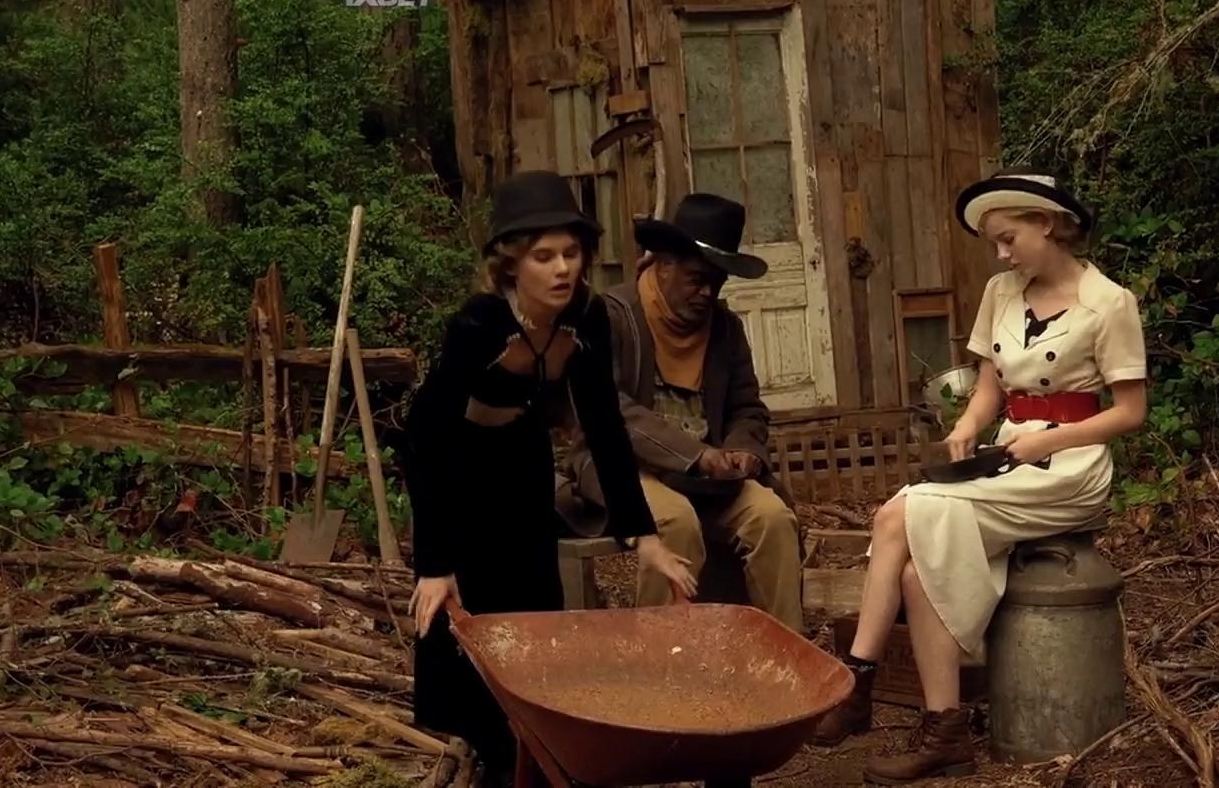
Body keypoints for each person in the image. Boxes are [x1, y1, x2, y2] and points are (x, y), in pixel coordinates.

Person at [809, 167, 1149, 784]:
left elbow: (1130, 412)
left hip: (1069, 470)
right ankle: (946, 734)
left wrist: (1049, 439)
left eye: (1008, 238)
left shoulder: (1109, 303)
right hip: (1007, 454)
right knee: (918, 567)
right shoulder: (1001, 292)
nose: (1000, 253)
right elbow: (991, 386)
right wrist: (967, 426)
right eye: (994, 242)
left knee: (898, 514)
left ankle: (855, 685)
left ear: (1046, 224)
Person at [403, 170, 697, 786]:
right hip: (458, 474)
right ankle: (487, 755)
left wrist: (643, 536)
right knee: (468, 630)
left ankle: (531, 757)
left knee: (533, 622)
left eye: (571, 252)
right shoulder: (480, 324)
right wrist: (434, 562)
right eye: (544, 256)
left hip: (523, 466)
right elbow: (425, 438)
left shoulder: (587, 317)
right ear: (511, 263)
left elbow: (605, 425)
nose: (562, 268)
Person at [557, 192, 805, 633]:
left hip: (706, 480)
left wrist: (743, 450)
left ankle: (782, 653)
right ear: (664, 265)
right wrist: (696, 455)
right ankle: (661, 656)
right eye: (697, 279)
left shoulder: (726, 328)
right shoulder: (609, 316)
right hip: (621, 468)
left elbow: (747, 407)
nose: (708, 293)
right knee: (674, 520)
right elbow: (608, 409)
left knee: (772, 519)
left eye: (717, 282)